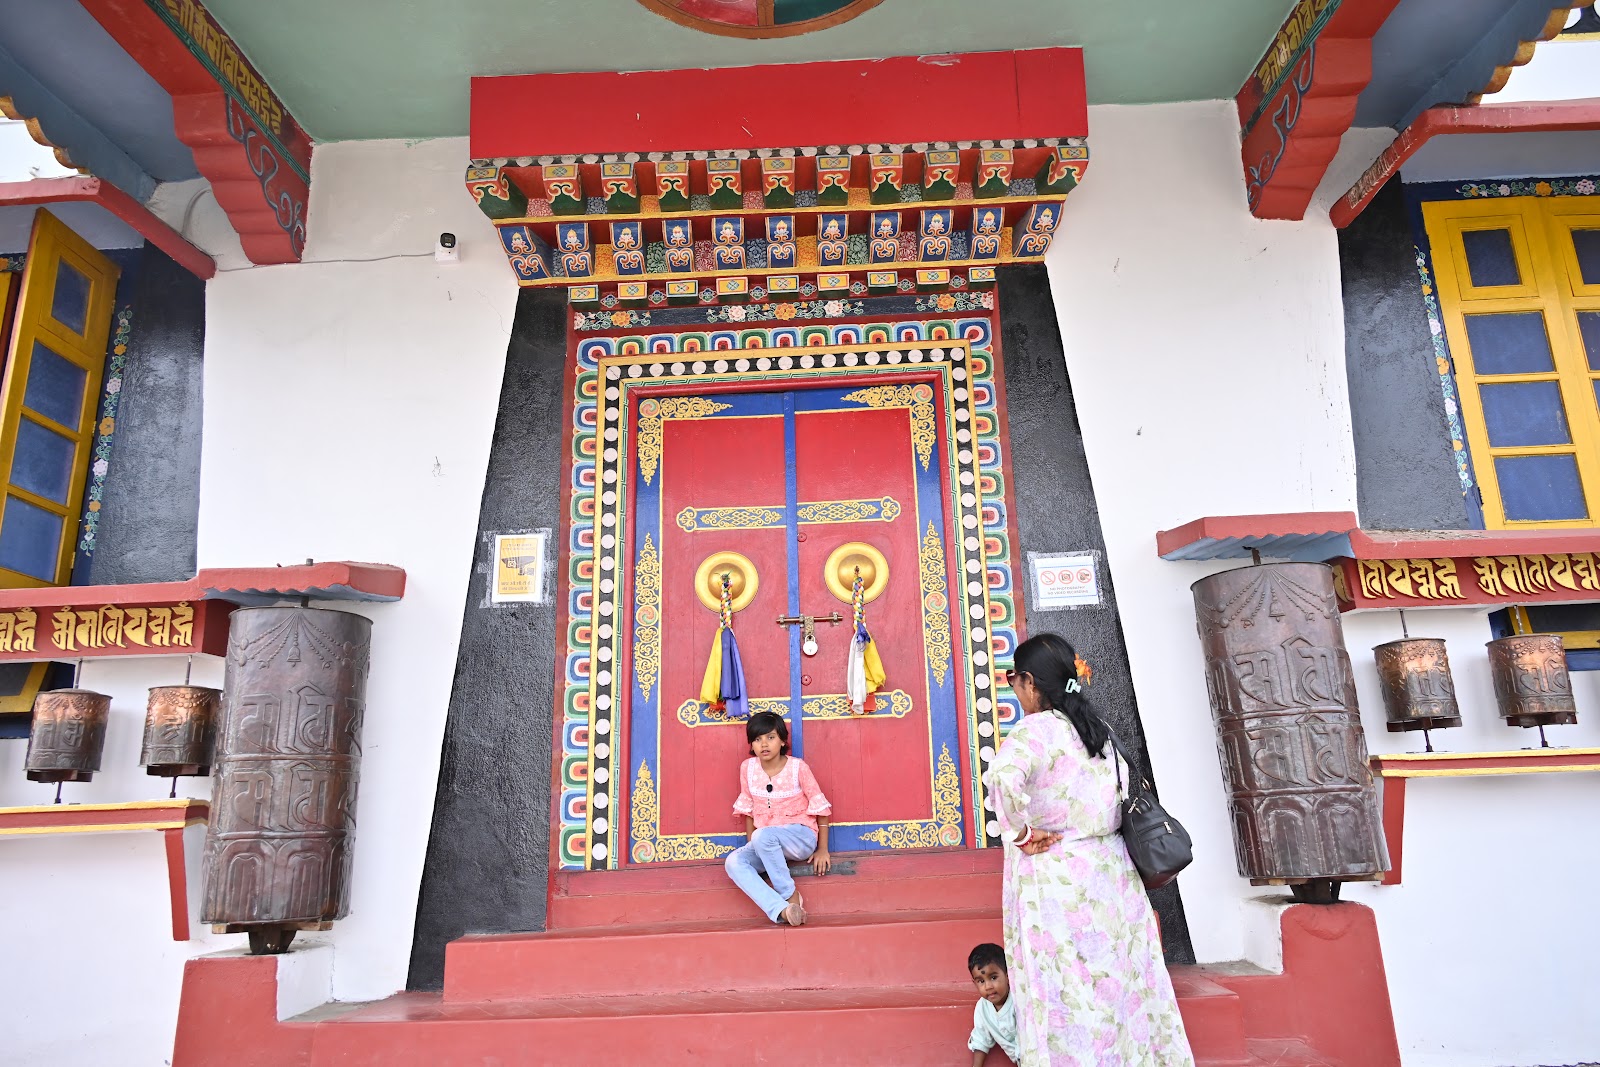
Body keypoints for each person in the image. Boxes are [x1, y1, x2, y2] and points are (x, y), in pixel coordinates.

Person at [988, 633, 1194, 1066]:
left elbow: (1003, 780)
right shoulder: (1098, 729)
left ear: (1029, 682)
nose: (1016, 689)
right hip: (1110, 873)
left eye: (1015, 681)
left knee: (1066, 988)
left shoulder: (1035, 731)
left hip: (1057, 878)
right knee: (1119, 985)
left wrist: (1023, 834)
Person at [725, 711, 832, 926]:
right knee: (734, 861)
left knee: (762, 836)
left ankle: (789, 894)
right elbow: (748, 808)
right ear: (752, 744)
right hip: (766, 840)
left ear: (782, 741)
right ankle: (782, 910)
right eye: (757, 739)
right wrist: (753, 845)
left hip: (800, 837)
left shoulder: (797, 767)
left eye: (770, 737)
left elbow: (819, 805)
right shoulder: (747, 768)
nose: (764, 744)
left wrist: (822, 849)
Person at [966, 942, 1019, 1066]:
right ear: (975, 983)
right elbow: (981, 1039)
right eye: (981, 981)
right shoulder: (982, 1008)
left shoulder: (1018, 1000)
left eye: (993, 978)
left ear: (1007, 976)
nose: (988, 986)